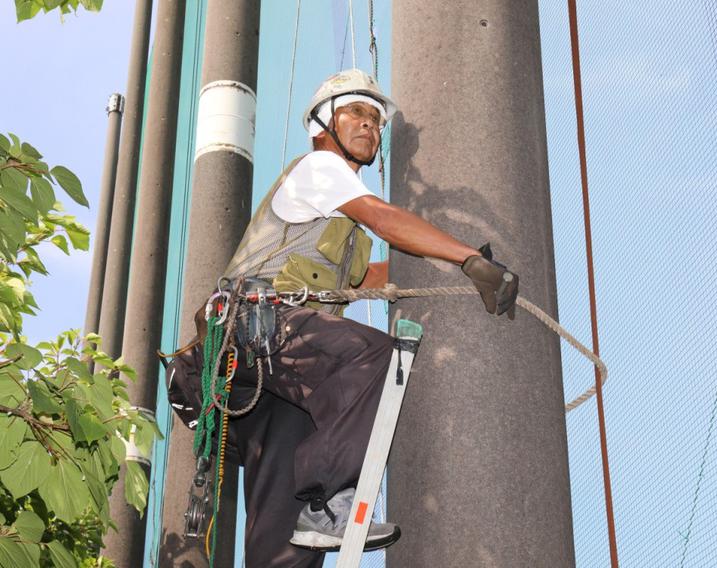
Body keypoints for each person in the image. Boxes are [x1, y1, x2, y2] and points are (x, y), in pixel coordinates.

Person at [217, 69, 518, 566]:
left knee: (286, 525)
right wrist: (469, 258)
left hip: (269, 376)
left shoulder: (335, 221)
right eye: (356, 112)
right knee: (371, 356)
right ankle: (329, 497)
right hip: (258, 331)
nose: (369, 126)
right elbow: (383, 217)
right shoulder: (320, 169)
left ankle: (313, 512)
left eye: (376, 121)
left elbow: (362, 282)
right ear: (321, 124)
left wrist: (442, 269)